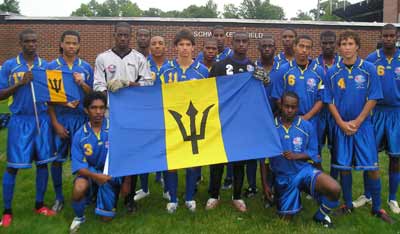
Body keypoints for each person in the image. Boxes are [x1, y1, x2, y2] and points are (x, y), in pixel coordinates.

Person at [324, 30, 392, 223]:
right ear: (339, 48)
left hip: (363, 126)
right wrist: (340, 122)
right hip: (342, 125)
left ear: (357, 46)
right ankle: (347, 204)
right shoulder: (333, 71)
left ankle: (377, 208)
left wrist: (359, 120)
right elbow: (329, 100)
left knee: (372, 166)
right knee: (344, 166)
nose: (347, 47)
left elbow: (374, 96)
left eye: (350, 44)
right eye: (343, 44)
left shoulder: (369, 68)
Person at [93, 22, 153, 213]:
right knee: (108, 156)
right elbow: (97, 87)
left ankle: (129, 198)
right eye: (119, 35)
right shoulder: (103, 58)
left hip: (132, 115)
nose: (123, 38)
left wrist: (128, 84)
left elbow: (148, 84)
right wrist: (110, 90)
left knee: (131, 156)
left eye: (126, 35)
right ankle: (104, 194)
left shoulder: (139, 58)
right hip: (110, 115)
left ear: (130, 36)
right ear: (114, 35)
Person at [0, 29, 56, 227]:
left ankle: (39, 205)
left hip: (41, 120)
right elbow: (1, 95)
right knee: (13, 166)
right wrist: (20, 84)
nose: (31, 44)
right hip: (20, 120)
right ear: (20, 43)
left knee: (43, 163)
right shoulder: (9, 66)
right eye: (27, 41)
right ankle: (7, 211)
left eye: (34, 41)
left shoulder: (46, 66)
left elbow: (53, 95)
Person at [261, 91, 341, 228]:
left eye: (293, 107)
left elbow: (314, 152)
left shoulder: (306, 126)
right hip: (283, 177)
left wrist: (296, 156)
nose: (290, 110)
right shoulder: (271, 127)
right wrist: (265, 185)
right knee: (285, 221)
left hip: (304, 171)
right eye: (287, 106)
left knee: (334, 188)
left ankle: (320, 216)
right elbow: (263, 160)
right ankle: (286, 197)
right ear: (281, 105)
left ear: (298, 108)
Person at [159, 28, 209, 213]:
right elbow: (157, 95)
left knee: (192, 161)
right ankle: (172, 198)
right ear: (176, 47)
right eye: (181, 44)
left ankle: (189, 197)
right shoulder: (166, 69)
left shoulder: (202, 70)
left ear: (194, 48)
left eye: (188, 45)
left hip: (193, 122)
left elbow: (207, 98)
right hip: (171, 122)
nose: (185, 48)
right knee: (171, 161)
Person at [353, 24, 400, 214]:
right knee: (369, 155)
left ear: (397, 36)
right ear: (381, 36)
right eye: (385, 35)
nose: (388, 38)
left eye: (392, 35)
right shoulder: (372, 59)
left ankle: (392, 198)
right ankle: (367, 194)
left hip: (397, 113)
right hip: (376, 112)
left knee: (395, 158)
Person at [206, 31, 255, 212]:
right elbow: (208, 92)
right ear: (231, 43)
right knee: (217, 159)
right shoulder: (219, 66)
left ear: (248, 44)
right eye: (238, 41)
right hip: (221, 120)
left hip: (241, 122)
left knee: (239, 161)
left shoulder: (252, 67)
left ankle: (237, 196)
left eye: (244, 41)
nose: (241, 44)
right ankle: (214, 194)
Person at [47, 30, 94, 212]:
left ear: (79, 45)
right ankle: (59, 198)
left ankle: (85, 194)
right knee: (57, 160)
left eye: (75, 43)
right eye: (68, 43)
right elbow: (48, 98)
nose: (71, 46)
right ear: (61, 44)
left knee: (83, 158)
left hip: (81, 119)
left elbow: (92, 95)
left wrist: (82, 83)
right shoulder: (52, 66)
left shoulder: (85, 67)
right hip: (61, 118)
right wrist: (56, 123)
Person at [69, 91, 121, 232]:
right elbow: (79, 167)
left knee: (106, 219)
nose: (98, 112)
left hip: (110, 173)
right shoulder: (79, 135)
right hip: (90, 171)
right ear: (86, 110)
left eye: (101, 107)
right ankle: (79, 217)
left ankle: (103, 195)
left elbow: (124, 156)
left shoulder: (115, 128)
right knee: (79, 187)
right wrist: (97, 177)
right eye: (94, 108)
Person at [271, 35, 325, 167]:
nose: (304, 50)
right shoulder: (283, 70)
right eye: (301, 46)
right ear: (295, 47)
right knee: (289, 153)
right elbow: (277, 96)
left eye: (308, 47)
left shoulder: (319, 71)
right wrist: (290, 115)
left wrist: (307, 117)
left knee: (313, 154)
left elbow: (321, 98)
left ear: (311, 50)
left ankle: (313, 182)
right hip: (288, 120)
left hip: (311, 119)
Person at [136, 35, 170, 201]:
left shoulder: (172, 67)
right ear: (149, 47)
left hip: (166, 115)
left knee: (165, 150)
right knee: (144, 150)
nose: (157, 46)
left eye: (160, 44)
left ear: (166, 47)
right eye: (154, 44)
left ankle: (167, 188)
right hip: (145, 115)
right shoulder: (141, 65)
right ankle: (144, 188)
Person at [314, 30, 341, 179]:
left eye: (331, 43)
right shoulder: (313, 64)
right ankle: (319, 182)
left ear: (335, 44)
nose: (328, 46)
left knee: (336, 150)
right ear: (320, 44)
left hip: (336, 114)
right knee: (315, 150)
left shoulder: (343, 63)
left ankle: (333, 181)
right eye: (325, 43)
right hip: (317, 114)